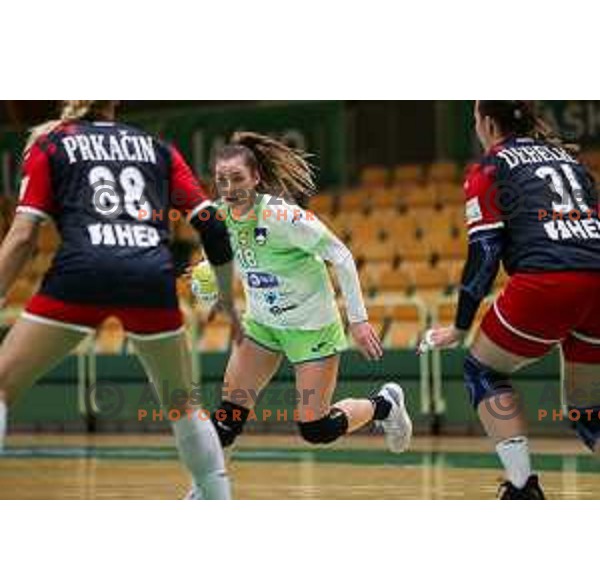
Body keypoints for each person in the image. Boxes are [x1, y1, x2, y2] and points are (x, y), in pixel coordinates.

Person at [0, 100, 236, 499]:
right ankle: (216, 498)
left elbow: (23, 236)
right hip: (149, 276)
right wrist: (227, 299)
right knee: (182, 402)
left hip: (81, 275)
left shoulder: (51, 143)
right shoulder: (158, 148)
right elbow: (213, 227)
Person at [422, 100, 600, 499]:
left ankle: (522, 486)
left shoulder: (491, 166)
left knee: (481, 370)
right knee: (588, 411)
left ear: (486, 123)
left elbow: (485, 251)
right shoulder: (569, 159)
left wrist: (460, 326)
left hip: (547, 281)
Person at [195, 131, 412, 453]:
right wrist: (208, 284)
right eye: (221, 180)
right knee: (225, 423)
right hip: (262, 327)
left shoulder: (283, 217)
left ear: (255, 177)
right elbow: (230, 262)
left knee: (316, 428)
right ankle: (205, 492)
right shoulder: (216, 217)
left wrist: (358, 320)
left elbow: (341, 255)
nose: (229, 189)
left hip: (311, 327)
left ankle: (384, 405)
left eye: (237, 178)